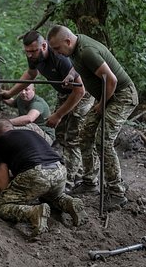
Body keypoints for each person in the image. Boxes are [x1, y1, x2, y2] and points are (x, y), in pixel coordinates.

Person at [47, 25, 139, 210]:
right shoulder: (74, 48)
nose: (56, 53)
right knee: (85, 134)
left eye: (57, 49)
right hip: (108, 97)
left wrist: (101, 104)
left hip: (122, 95)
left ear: (67, 41)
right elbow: (79, 66)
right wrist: (71, 75)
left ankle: (117, 193)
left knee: (103, 141)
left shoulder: (86, 50)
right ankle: (90, 182)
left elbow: (111, 80)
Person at [0, 30, 94, 187]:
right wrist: (9, 93)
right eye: (27, 51)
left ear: (44, 46)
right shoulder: (34, 56)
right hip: (64, 94)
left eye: (33, 51)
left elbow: (80, 90)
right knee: (61, 135)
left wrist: (58, 115)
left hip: (82, 95)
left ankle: (71, 181)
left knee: (73, 138)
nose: (30, 55)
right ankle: (74, 173)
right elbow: (31, 74)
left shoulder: (60, 58)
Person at [0, 119, 88, 236]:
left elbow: (2, 185)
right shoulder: (31, 133)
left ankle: (33, 212)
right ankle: (69, 202)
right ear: (13, 127)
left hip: (36, 173)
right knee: (51, 196)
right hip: (59, 170)